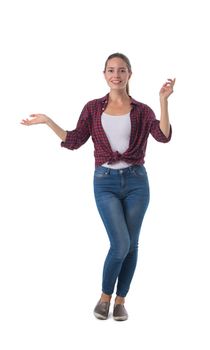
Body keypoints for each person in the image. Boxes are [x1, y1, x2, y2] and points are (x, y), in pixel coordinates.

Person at [21, 52, 175, 321]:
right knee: (121, 243)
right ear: (104, 74)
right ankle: (105, 296)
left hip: (138, 182)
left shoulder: (142, 110)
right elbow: (74, 140)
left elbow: (162, 136)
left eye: (122, 70)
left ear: (130, 74)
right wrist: (47, 121)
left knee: (132, 244)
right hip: (105, 182)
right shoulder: (93, 107)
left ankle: (120, 301)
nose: (116, 74)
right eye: (111, 70)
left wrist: (162, 101)